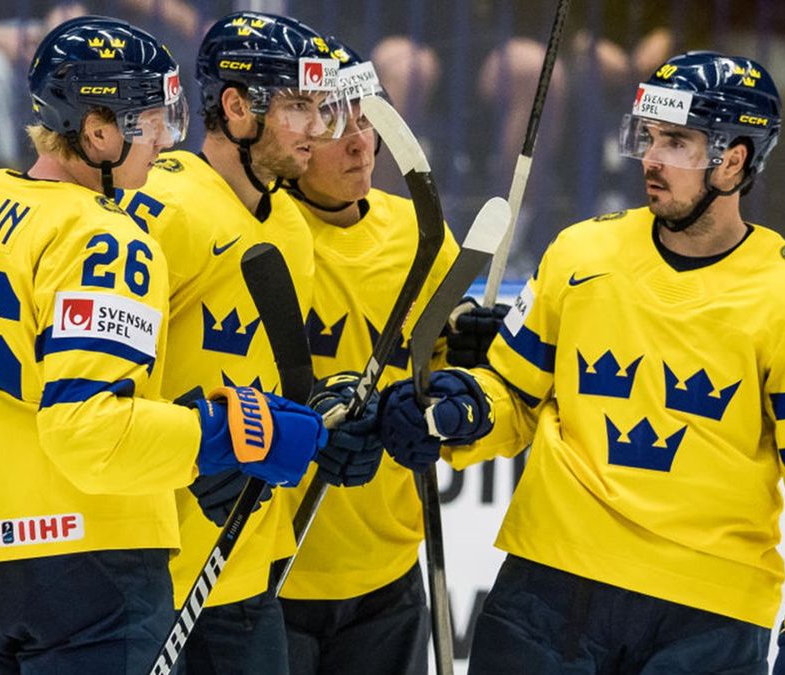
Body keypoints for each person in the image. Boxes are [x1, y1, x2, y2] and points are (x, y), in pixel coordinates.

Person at [374, 51, 785, 674]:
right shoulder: (581, 253)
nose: (651, 158)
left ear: (734, 160)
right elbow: (514, 396)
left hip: (708, 619)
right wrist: (458, 411)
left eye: (677, 143)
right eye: (648, 136)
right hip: (547, 590)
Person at [0, 16, 324, 673]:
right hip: (87, 573)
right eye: (152, 119)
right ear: (100, 130)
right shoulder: (106, 238)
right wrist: (230, 434)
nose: (164, 140)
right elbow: (90, 429)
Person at [114, 11, 348, 675]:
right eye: (298, 107)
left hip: (240, 571)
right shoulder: (161, 209)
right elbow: (93, 382)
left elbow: (265, 381)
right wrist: (193, 442)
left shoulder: (293, 230)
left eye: (319, 105)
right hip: (145, 576)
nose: (317, 129)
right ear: (237, 106)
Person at [274, 36, 460, 675]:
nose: (360, 142)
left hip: (388, 571)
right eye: (335, 122)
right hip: (268, 573)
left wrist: (466, 363)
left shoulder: (421, 233)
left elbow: (448, 372)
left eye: (367, 116)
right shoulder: (256, 233)